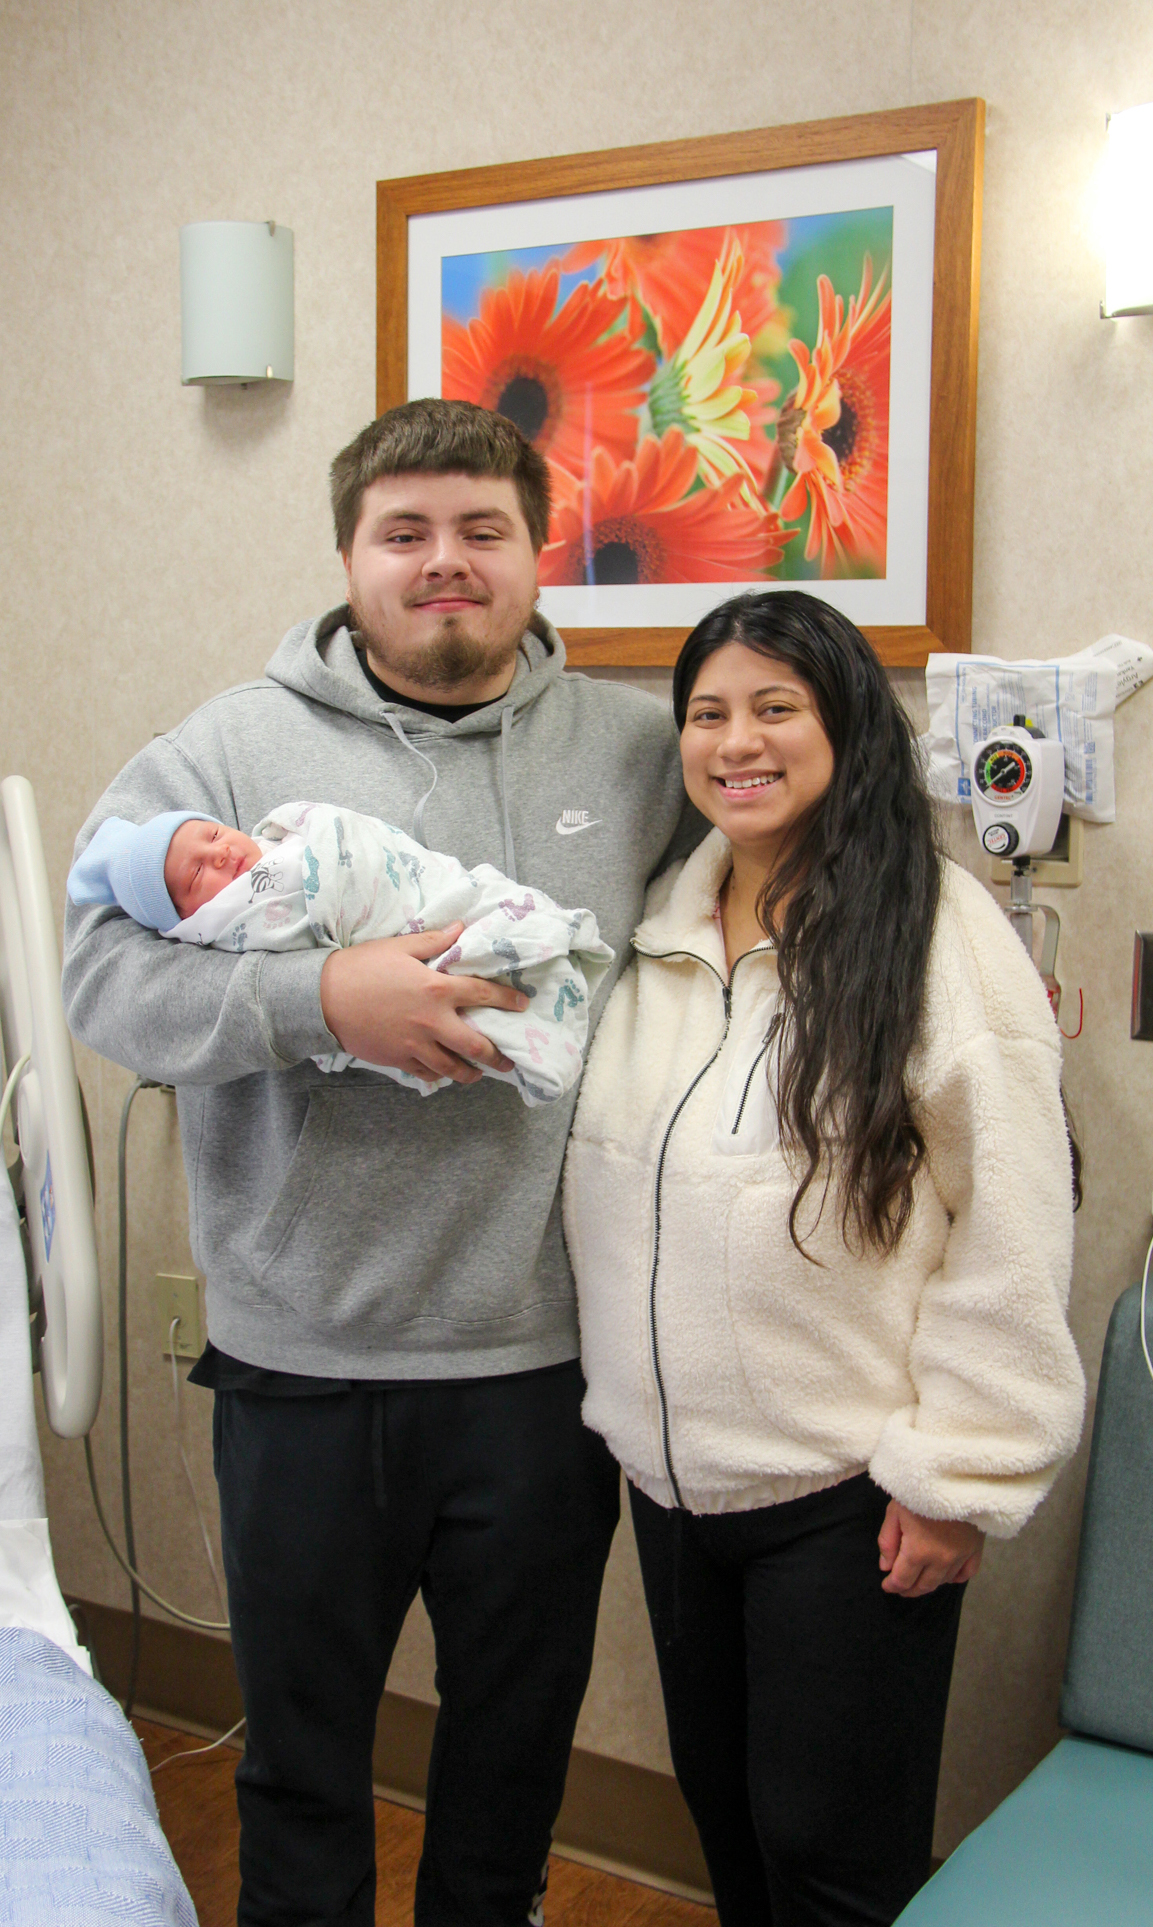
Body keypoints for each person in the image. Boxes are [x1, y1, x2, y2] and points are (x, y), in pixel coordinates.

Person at [62, 398, 697, 1927]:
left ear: (538, 554)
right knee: (298, 1770)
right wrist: (316, 998)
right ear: (348, 553)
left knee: (507, 1762)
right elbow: (96, 978)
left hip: (544, 1368)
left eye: (482, 530)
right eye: (403, 532)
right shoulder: (222, 746)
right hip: (302, 1362)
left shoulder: (639, 748)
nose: (444, 563)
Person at [563, 590, 1086, 1927]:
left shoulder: (936, 932)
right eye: (706, 713)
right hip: (673, 1488)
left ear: (846, 725)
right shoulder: (653, 934)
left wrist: (959, 1471)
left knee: (832, 1860)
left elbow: (1014, 1218)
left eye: (773, 707)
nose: (736, 741)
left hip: (851, 1496)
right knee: (731, 1832)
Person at [66, 802, 614, 1104]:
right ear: (188, 921)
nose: (221, 856)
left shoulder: (292, 837)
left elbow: (373, 853)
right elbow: (102, 990)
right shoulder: (227, 919)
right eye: (196, 873)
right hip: (299, 1297)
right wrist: (322, 996)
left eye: (212, 835)